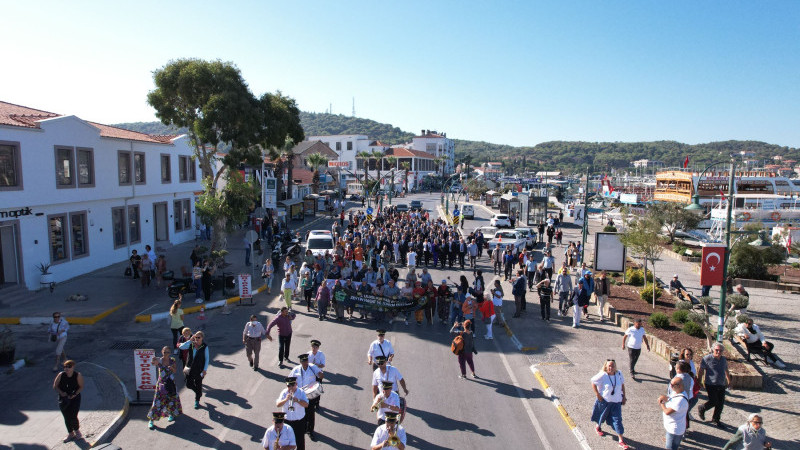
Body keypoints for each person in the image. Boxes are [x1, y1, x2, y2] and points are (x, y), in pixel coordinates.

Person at [590, 359, 629, 449]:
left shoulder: (619, 374)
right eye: (609, 366)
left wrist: (623, 397)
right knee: (601, 416)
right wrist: (597, 394)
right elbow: (593, 382)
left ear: (615, 366)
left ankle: (621, 440)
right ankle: (598, 427)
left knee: (617, 420)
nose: (611, 368)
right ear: (606, 366)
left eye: (612, 366)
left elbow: (622, 385)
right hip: (605, 401)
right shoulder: (603, 375)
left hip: (616, 402)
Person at [147, 346, 183, 429]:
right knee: (157, 402)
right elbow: (152, 364)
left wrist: (172, 368)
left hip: (170, 384)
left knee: (171, 400)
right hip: (161, 384)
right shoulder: (159, 360)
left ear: (170, 353)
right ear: (162, 352)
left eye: (168, 352)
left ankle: (171, 414)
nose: (166, 354)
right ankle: (151, 420)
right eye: (164, 352)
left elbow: (175, 371)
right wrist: (152, 360)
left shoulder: (172, 360)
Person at [697, 342, 732, 428]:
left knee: (720, 403)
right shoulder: (707, 358)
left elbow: (726, 370)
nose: (718, 352)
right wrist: (699, 381)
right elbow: (701, 370)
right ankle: (702, 408)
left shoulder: (723, 359)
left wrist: (729, 381)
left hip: (721, 384)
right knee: (714, 401)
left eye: (720, 350)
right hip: (710, 384)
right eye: (717, 350)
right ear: (713, 350)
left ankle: (716, 419)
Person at [289, 354, 324, 440]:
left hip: (310, 395)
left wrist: (320, 374)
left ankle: (310, 431)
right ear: (300, 362)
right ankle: (304, 428)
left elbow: (321, 376)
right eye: (303, 361)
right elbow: (289, 381)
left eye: (306, 361)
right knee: (301, 412)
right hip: (300, 395)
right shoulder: (295, 370)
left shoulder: (312, 367)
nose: (305, 363)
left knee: (310, 413)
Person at [53, 359, 84, 442]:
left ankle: (77, 431)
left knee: (73, 415)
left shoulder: (77, 375)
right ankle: (70, 433)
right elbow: (55, 386)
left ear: (73, 367)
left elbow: (81, 387)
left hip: (75, 398)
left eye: (69, 367)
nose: (66, 369)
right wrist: (61, 393)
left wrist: (75, 394)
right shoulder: (61, 375)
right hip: (63, 398)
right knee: (66, 416)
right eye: (65, 367)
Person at [178, 330, 209, 409]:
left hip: (199, 370)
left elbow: (207, 358)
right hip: (189, 369)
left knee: (198, 385)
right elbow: (181, 347)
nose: (197, 339)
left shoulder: (204, 347)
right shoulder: (191, 344)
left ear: (202, 338)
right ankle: (199, 393)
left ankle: (197, 400)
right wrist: (190, 340)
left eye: (199, 337)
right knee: (189, 385)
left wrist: (204, 370)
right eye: (196, 337)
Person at [276, 376, 309, 450]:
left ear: (296, 384)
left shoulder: (301, 392)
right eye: (288, 386)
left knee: (299, 441)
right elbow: (278, 404)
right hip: (287, 421)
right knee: (287, 442)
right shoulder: (284, 392)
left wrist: (298, 400)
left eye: (292, 385)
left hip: (299, 422)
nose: (290, 387)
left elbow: (306, 405)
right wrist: (285, 399)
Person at [658, 377, 689, 450]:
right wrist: (663, 397)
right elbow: (670, 398)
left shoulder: (680, 400)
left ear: (679, 386)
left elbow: (667, 412)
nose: (670, 386)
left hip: (674, 430)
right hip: (673, 427)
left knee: (670, 448)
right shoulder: (677, 392)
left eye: (672, 385)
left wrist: (661, 403)